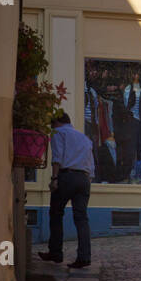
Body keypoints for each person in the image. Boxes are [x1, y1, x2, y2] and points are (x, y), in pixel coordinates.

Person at [38, 111, 94, 269]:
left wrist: (54, 179)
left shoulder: (58, 133)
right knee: (81, 218)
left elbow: (57, 157)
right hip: (83, 178)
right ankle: (84, 256)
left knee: (56, 213)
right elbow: (91, 162)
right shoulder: (84, 137)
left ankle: (56, 252)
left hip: (66, 176)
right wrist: (88, 179)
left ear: (56, 122)